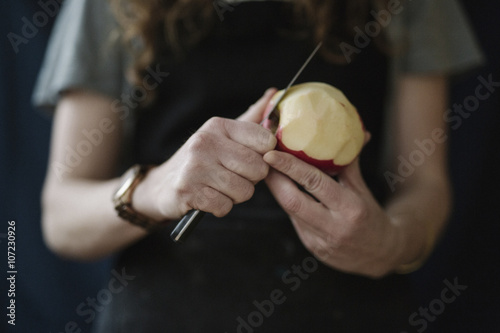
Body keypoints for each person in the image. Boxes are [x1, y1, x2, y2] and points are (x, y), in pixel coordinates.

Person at [33, 0, 483, 332]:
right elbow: (62, 216)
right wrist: (155, 190)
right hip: (168, 307)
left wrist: (392, 242)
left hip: (352, 305)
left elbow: (426, 185)